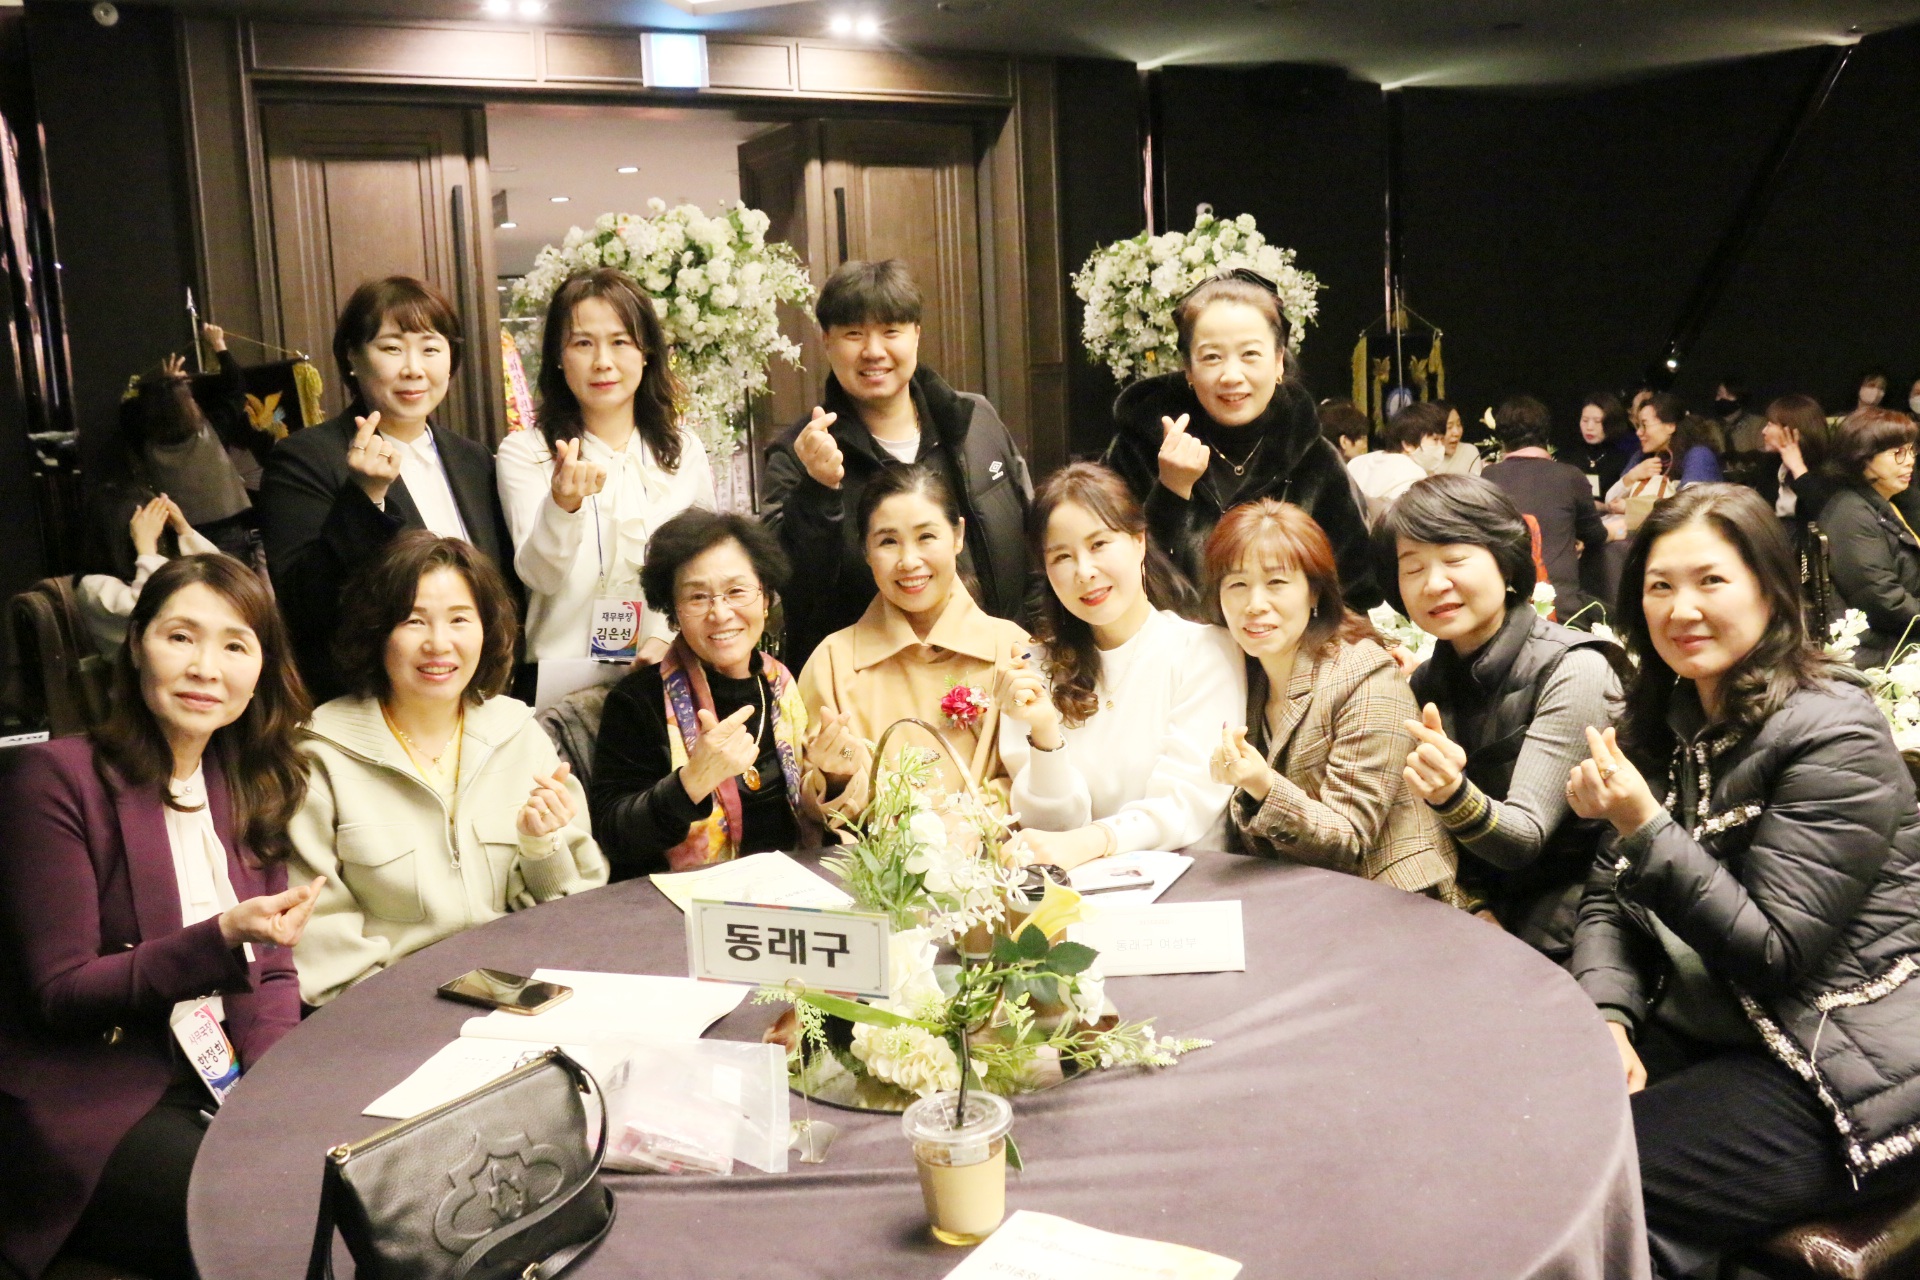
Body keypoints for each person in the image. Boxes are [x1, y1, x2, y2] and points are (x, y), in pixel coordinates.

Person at [1567, 484, 1920, 1280]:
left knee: (1587, 1186)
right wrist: (1609, 1017)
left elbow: (1774, 951)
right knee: (1518, 1123)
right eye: (1660, 586)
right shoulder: (1665, 722)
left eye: (1711, 581)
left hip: (1841, 1064)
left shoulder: (1836, 731)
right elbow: (1608, 899)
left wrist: (1644, 826)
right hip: (1721, 1031)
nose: (1682, 608)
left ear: (1770, 590)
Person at [0, 556, 322, 1280]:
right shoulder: (54, 779)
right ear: (136, 643)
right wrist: (222, 936)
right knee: (279, 1223)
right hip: (95, 1098)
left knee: (355, 1175)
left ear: (261, 670)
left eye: (235, 645)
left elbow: (273, 972)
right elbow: (61, 991)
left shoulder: (246, 782)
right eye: (181, 637)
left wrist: (275, 1094)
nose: (206, 667)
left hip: (215, 1075)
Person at [289, 533, 605, 1007]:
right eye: (414, 621)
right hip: (390, 1009)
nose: (439, 644)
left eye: (459, 619)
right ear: (377, 631)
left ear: (486, 630)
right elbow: (320, 934)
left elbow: (575, 915)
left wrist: (542, 847)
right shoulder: (320, 757)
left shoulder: (520, 735)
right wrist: (398, 1015)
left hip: (524, 992)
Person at [1377, 475, 1623, 958]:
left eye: (1454, 559)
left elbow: (1523, 840)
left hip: (1577, 933)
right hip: (1473, 921)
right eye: (1413, 568)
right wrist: (1469, 906)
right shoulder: (1427, 681)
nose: (1434, 583)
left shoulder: (1576, 668)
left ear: (1505, 561)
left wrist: (1451, 794)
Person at [761, 259, 1033, 670]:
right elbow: (792, 590)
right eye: (854, 334)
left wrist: (1035, 644)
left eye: (891, 332)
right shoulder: (799, 453)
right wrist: (818, 491)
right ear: (826, 341)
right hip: (868, 683)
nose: (874, 352)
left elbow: (1030, 541)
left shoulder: (974, 421)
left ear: (916, 334)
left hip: (997, 667)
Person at [260, 276, 515, 702]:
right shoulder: (306, 458)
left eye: (430, 349)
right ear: (352, 357)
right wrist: (364, 498)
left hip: (476, 698)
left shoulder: (473, 459)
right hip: (368, 703)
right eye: (392, 348)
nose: (413, 368)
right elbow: (303, 605)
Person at [1203, 499, 1460, 898]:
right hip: (1297, 899)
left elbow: (1349, 841)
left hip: (1393, 902)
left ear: (1314, 593)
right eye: (1237, 585)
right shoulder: (1240, 674)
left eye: (1276, 583)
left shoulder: (1365, 676)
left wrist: (1262, 785)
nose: (1255, 605)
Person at [589, 510, 863, 879]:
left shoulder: (780, 683)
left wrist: (833, 776)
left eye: (736, 591)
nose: (720, 613)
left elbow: (803, 813)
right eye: (698, 597)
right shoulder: (638, 700)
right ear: (674, 613)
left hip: (790, 890)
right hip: (679, 903)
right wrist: (690, 783)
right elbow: (613, 836)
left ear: (765, 597)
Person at [995, 462, 1241, 869]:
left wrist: (1094, 840)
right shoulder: (1032, 668)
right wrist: (1045, 734)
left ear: (1139, 541)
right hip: (1079, 894)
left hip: (1191, 884)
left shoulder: (1203, 651)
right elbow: (1048, 831)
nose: (1084, 572)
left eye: (1099, 545)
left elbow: (1185, 803)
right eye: (1062, 556)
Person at [1104, 268, 1376, 609]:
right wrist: (1170, 493)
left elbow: (1352, 592)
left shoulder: (1315, 461)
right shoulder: (1137, 450)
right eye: (1212, 357)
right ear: (1188, 369)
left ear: (1278, 362)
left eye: (1250, 355)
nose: (1231, 375)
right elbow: (1111, 576)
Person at [496, 268, 713, 669]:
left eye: (620, 342)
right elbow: (540, 577)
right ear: (558, 357)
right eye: (583, 343)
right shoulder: (527, 452)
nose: (603, 362)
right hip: (561, 681)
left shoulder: (683, 451)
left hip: (665, 673)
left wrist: (667, 638)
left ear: (646, 352)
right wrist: (562, 506)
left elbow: (704, 569)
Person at [797, 464, 1028, 811]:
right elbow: (808, 805)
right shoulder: (832, 662)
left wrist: (970, 822)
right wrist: (835, 778)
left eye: (926, 537)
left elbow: (1040, 775)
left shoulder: (1012, 650)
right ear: (865, 551)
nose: (908, 561)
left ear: (958, 536)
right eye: (888, 541)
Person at [1481, 395, 1609, 625]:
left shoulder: (1488, 477)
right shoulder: (1570, 475)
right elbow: (1595, 535)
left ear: (1501, 438)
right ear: (1546, 434)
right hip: (1564, 612)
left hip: (1503, 610)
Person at [1818, 408, 1920, 667]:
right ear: (1862, 457)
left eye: (1911, 450)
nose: (1909, 460)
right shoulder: (1851, 514)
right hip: (1879, 651)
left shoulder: (1881, 501)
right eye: (1898, 452)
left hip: (1893, 639)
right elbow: (1885, 603)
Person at [1607, 392, 1723, 511]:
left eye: (1644, 425)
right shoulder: (1641, 457)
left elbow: (1688, 507)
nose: (1638, 432)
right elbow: (1610, 502)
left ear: (1670, 426)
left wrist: (1631, 508)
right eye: (1638, 426)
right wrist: (1631, 476)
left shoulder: (1699, 455)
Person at [1348, 401, 1448, 510]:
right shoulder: (1412, 477)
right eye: (1435, 440)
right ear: (1408, 444)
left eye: (1442, 440)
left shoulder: (1357, 462)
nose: (1441, 447)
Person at [1759, 393, 1836, 528]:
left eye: (1770, 425)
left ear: (1791, 429)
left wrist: (1797, 468)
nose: (1764, 431)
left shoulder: (1827, 467)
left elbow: (1826, 512)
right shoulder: (1770, 463)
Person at [1571, 392, 1631, 502]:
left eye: (1597, 421)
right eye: (1585, 420)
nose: (1589, 427)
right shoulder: (1569, 455)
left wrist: (1603, 507)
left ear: (1611, 423)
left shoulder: (1622, 459)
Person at [1710, 375, 1768, 454]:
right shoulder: (1711, 427)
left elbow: (1763, 455)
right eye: (1719, 394)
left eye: (1729, 395)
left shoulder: (1758, 425)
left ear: (1740, 399)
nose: (1722, 399)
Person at [1426, 400, 1483, 476]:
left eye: (1459, 424)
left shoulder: (1469, 452)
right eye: (1449, 427)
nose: (1456, 432)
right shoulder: (1422, 457)